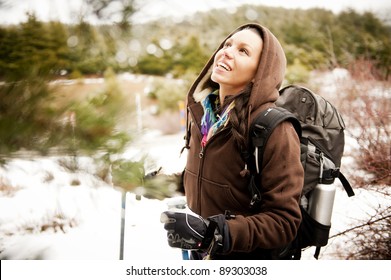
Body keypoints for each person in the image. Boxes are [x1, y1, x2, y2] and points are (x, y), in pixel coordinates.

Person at [161, 23, 304, 260]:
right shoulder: (205, 117)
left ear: (261, 72)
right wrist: (148, 183)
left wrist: (214, 233)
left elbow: (284, 222)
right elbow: (203, 179)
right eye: (227, 44)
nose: (226, 51)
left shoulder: (275, 128)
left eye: (243, 51)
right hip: (202, 253)